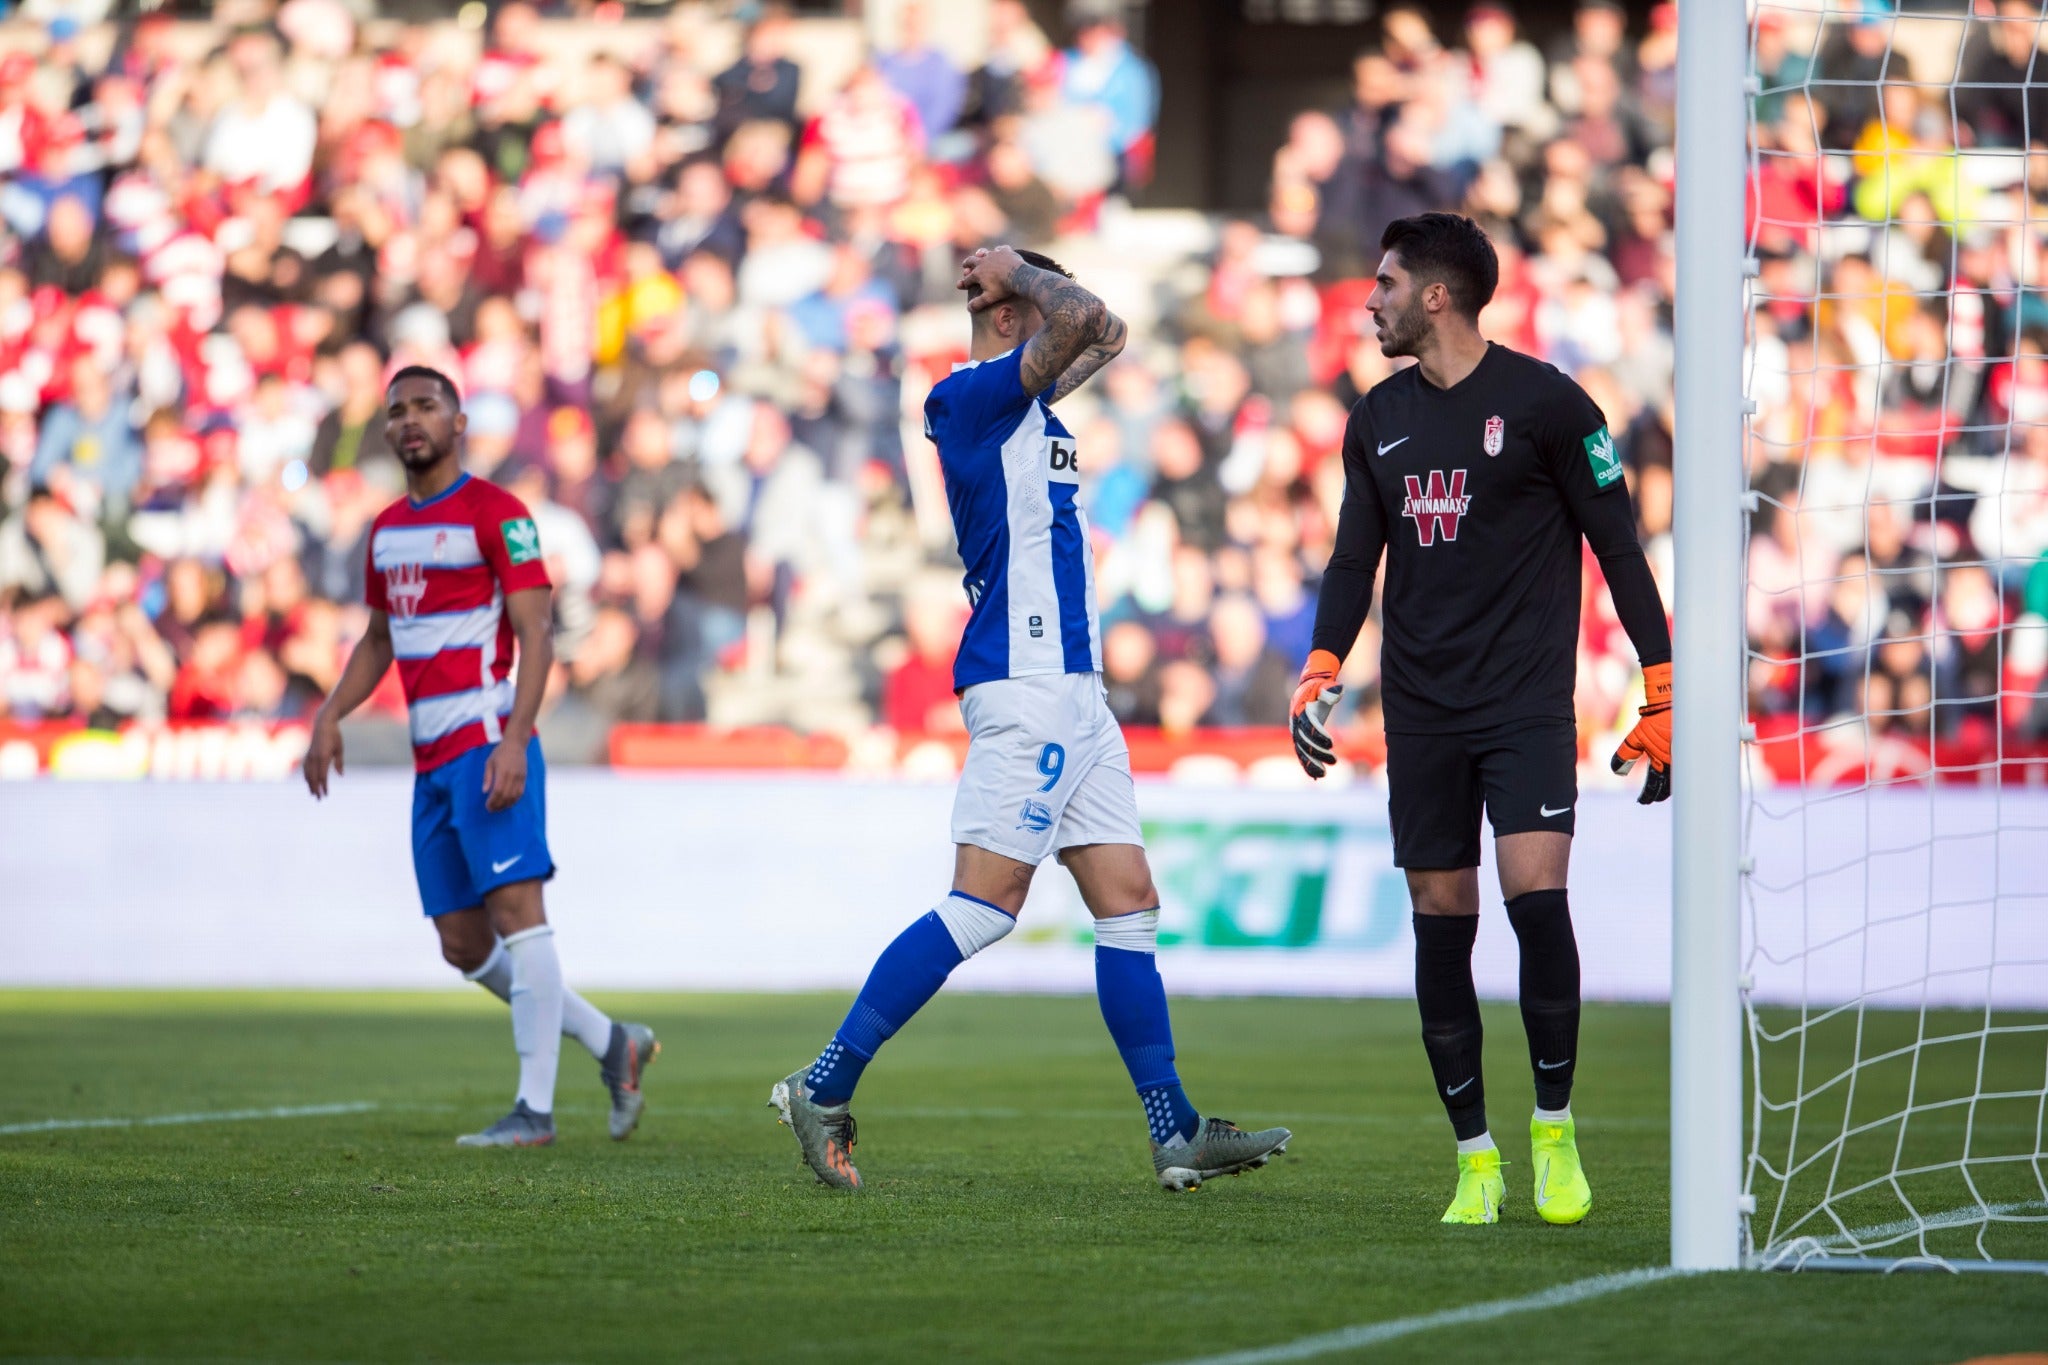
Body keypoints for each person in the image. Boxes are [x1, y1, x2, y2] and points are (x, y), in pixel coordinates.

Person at [769, 245, 1291, 1192]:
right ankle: (823, 1083)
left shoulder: (1028, 405)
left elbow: (1109, 330)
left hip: (1076, 686)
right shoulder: (967, 399)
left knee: (1128, 899)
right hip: (1026, 676)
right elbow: (1086, 321)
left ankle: (1174, 1129)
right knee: (982, 905)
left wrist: (1028, 278)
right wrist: (1015, 268)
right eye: (1035, 305)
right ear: (1012, 318)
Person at [1288, 214, 1672, 1227]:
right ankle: (1474, 1158)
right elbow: (1347, 563)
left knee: (1535, 901)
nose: (1365, 300)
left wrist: (1662, 685)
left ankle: (1552, 1130)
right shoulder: (1374, 418)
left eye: (1382, 283)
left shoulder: (1548, 405)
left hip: (1524, 703)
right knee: (1438, 925)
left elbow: (1619, 552)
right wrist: (1320, 668)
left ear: (1434, 296)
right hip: (1418, 711)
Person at [301, 366, 659, 1148]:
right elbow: (378, 639)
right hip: (429, 757)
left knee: (519, 916)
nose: (408, 420)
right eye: (396, 410)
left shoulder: (499, 513)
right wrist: (330, 715)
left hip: (488, 738)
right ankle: (613, 1042)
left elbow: (537, 631)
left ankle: (534, 1111)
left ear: (459, 421)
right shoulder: (387, 528)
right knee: (462, 942)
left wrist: (514, 737)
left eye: (425, 405)